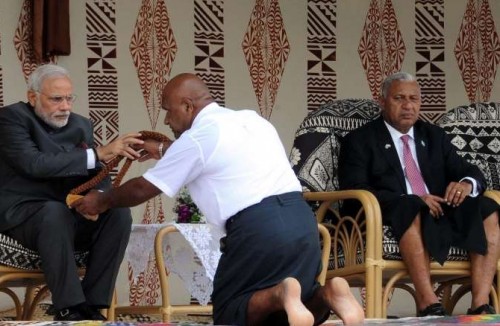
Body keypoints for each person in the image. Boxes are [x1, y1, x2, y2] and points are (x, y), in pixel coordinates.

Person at [71, 72, 365, 325]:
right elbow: (213, 154)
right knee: (294, 307)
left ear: (187, 106)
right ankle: (328, 294)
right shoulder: (251, 119)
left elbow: (142, 188)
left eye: (168, 110)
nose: (166, 118)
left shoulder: (196, 140)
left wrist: (100, 201)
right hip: (300, 221)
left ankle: (279, 293)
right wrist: (163, 150)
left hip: (257, 228)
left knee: (229, 311)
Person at [338, 71, 500, 316]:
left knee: (488, 208)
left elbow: (469, 171)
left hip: (439, 211)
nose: (408, 106)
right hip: (393, 211)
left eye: (414, 99)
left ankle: (480, 303)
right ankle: (428, 302)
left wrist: (465, 184)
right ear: (382, 101)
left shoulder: (433, 136)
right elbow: (355, 189)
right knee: (410, 206)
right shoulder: (360, 140)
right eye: (399, 98)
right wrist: (413, 199)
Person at [0, 64, 144, 321]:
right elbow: (34, 164)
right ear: (33, 97)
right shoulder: (12, 118)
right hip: (23, 215)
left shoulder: (80, 125)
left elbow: (96, 173)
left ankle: (92, 304)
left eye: (69, 98)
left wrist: (99, 198)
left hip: (65, 216)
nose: (65, 106)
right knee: (53, 213)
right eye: (56, 99)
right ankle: (69, 307)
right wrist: (99, 152)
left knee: (118, 212)